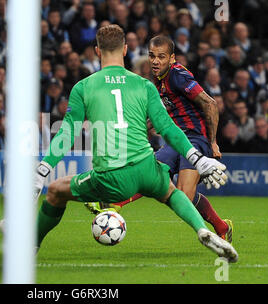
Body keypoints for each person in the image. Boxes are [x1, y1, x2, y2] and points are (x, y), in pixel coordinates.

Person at [32, 25, 237, 262]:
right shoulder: (144, 85)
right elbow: (168, 128)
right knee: (170, 192)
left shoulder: (84, 87)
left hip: (112, 174)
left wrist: (43, 169)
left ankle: (30, 246)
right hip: (146, 167)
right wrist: (197, 158)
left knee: (56, 190)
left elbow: (67, 133)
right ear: (126, 49)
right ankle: (202, 229)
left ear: (97, 51)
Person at [87, 35, 233, 243]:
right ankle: (116, 203)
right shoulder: (158, 79)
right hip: (175, 139)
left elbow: (210, 104)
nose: (155, 61)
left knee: (184, 195)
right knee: (150, 174)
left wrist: (212, 143)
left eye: (161, 57)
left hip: (195, 139)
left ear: (172, 58)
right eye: (152, 56)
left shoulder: (178, 76)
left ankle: (221, 226)